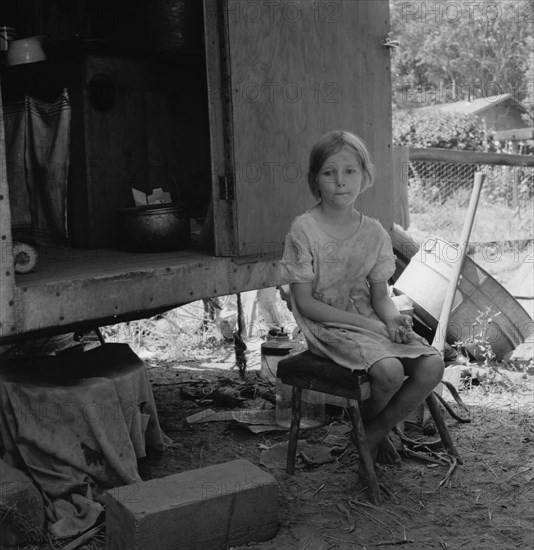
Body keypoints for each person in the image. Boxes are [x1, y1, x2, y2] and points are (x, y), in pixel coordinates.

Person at [280, 130, 444, 465]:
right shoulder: (304, 230)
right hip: (326, 325)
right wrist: (370, 326)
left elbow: (381, 296)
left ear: (365, 176)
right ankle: (372, 434)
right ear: (315, 180)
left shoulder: (373, 231)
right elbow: (306, 304)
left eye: (350, 171)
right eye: (329, 172)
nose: (340, 181)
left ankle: (372, 431)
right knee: (391, 373)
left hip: (369, 322)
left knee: (432, 365)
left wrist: (391, 319)